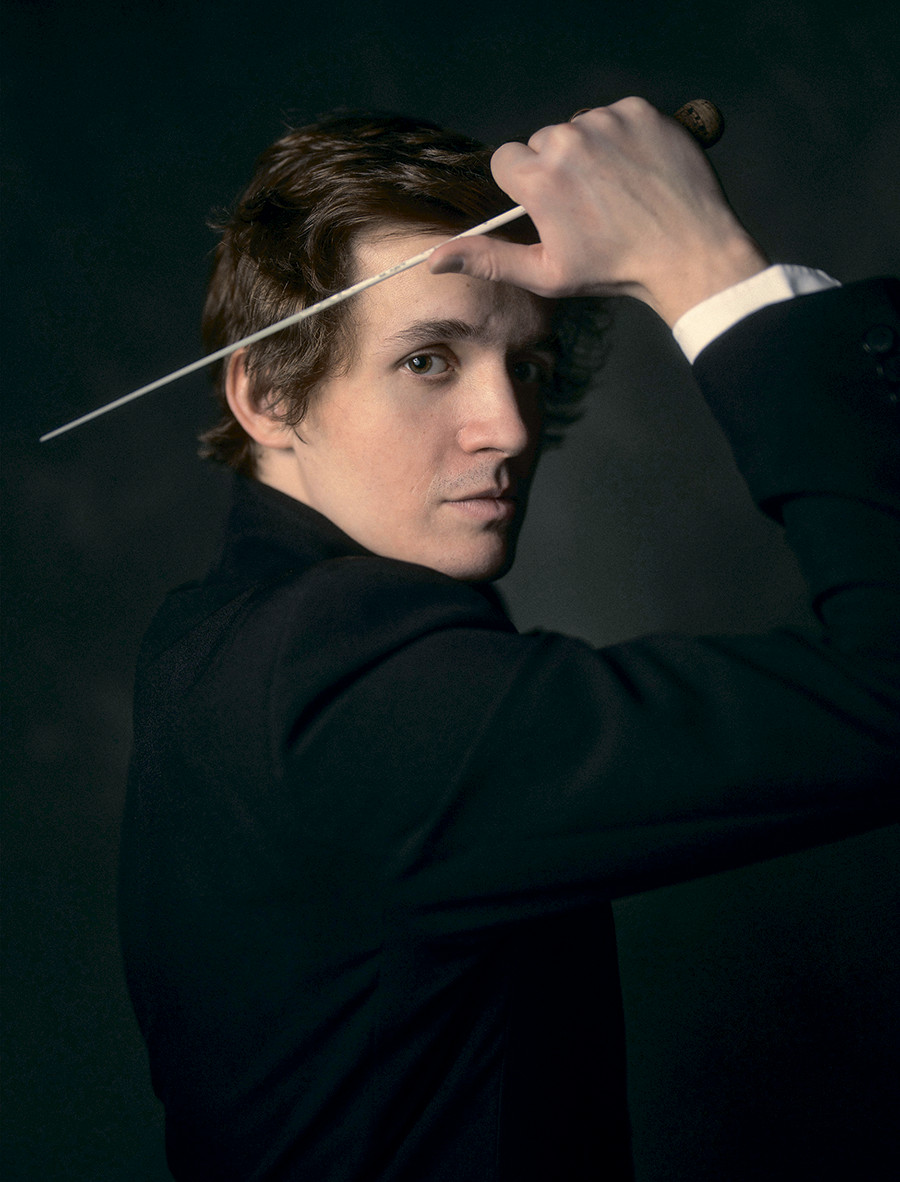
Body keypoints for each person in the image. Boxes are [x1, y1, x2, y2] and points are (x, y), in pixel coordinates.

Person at [119, 99, 900, 1181]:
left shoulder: (224, 639)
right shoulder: (331, 675)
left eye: (526, 364)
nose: (510, 427)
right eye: (429, 360)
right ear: (266, 395)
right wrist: (705, 268)